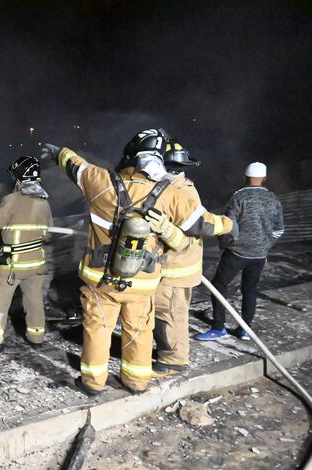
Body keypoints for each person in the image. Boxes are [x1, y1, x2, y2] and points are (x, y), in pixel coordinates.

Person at [40, 129, 237, 395]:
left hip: (101, 281)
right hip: (143, 282)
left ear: (130, 156)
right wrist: (230, 224)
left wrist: (56, 152)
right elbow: (205, 223)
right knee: (140, 331)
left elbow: (75, 165)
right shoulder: (171, 194)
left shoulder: (102, 182)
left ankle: (92, 383)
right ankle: (136, 382)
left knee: (98, 330)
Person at [151, 140, 236, 378]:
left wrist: (228, 225)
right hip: (177, 265)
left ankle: (173, 361)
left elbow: (197, 226)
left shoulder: (176, 191)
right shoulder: (181, 185)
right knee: (168, 314)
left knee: (169, 315)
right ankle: (167, 353)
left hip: (173, 268)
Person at [196, 162, 284, 341]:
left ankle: (219, 327)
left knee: (219, 285)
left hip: (236, 252)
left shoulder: (239, 196)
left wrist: (224, 244)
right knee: (250, 289)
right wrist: (265, 246)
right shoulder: (274, 199)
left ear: (245, 178)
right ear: (264, 178)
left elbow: (228, 225)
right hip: (259, 255)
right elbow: (279, 229)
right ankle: (245, 329)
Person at [0, 155, 53, 352]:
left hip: (13, 264)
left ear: (19, 177)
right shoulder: (44, 201)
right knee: (34, 300)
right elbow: (49, 229)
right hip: (36, 262)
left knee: (0, 300)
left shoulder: (12, 199)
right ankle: (36, 337)